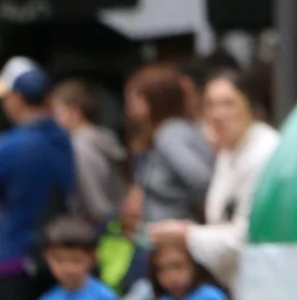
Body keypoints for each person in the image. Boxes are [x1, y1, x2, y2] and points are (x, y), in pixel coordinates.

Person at [147, 68, 280, 292]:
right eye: (210, 105)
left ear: (250, 106)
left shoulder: (264, 151)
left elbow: (245, 238)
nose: (217, 114)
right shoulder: (228, 151)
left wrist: (186, 235)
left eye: (228, 103)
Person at [0, 57, 76, 300]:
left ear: (16, 98)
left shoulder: (10, 146)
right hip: (58, 256)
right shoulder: (63, 139)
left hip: (14, 260)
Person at [125, 65, 213, 225]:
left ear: (153, 99)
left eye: (135, 97)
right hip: (160, 228)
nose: (129, 104)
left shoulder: (170, 135)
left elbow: (202, 180)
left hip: (173, 229)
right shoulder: (160, 134)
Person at [52, 79, 128, 226]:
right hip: (118, 222)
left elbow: (95, 206)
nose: (53, 119)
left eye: (56, 112)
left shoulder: (80, 148)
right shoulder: (104, 138)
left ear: (74, 112)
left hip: (99, 230)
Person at [37, 216, 117, 300]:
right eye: (59, 260)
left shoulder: (104, 296)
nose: (68, 268)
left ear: (92, 258)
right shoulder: (48, 298)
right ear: (47, 258)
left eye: (76, 260)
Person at [146, 242, 226, 300]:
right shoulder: (162, 298)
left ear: (194, 266)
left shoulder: (209, 296)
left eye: (177, 266)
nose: (171, 276)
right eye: (161, 269)